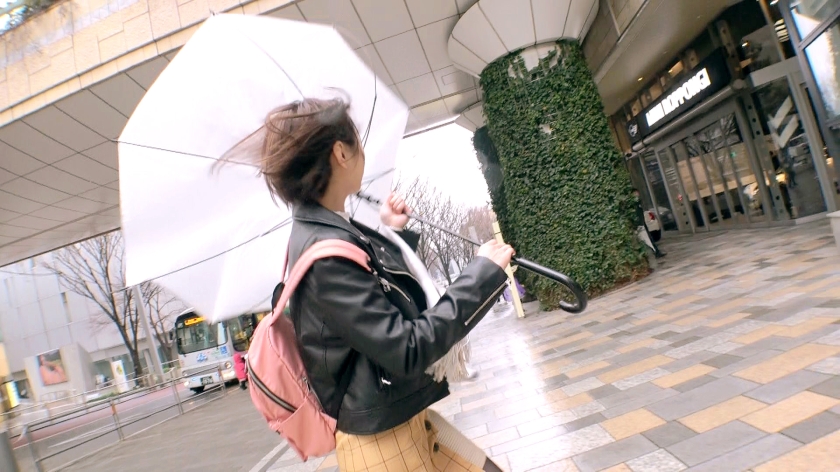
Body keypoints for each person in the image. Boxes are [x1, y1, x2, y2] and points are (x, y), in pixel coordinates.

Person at [250, 98, 512, 472]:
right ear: (341, 152)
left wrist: (391, 231)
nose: (362, 153)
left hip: (398, 421)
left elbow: (380, 293)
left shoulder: (327, 230)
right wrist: (481, 276)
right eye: (357, 142)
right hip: (382, 446)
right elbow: (406, 348)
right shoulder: (325, 256)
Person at [632, 188, 665, 259]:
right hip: (640, 224)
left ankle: (656, 252)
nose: (637, 194)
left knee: (649, 239)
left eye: (637, 193)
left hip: (642, 223)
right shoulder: (634, 204)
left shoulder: (638, 203)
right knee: (646, 239)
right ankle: (655, 252)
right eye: (635, 193)